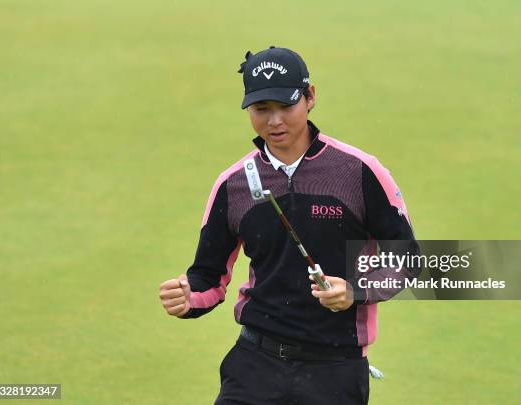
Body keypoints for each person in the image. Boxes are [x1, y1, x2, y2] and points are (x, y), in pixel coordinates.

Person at [159, 46, 419, 405]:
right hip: (253, 366)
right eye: (261, 109)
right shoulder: (233, 185)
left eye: (286, 106)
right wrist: (189, 298)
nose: (274, 121)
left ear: (310, 97)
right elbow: (209, 277)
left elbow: (408, 260)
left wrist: (355, 291)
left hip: (336, 371)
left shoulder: (359, 172)